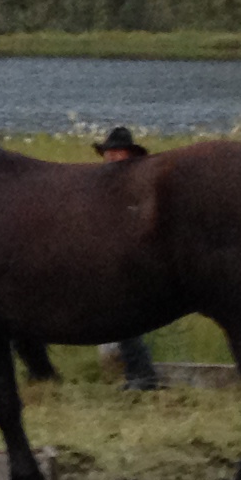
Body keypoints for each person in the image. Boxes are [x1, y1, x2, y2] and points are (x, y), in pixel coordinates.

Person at [95, 128, 162, 391]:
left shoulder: (138, 182)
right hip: (118, 258)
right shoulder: (107, 184)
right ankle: (139, 374)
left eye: (116, 153)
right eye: (108, 153)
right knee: (120, 319)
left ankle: (142, 375)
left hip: (135, 259)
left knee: (124, 317)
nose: (110, 158)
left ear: (128, 154)